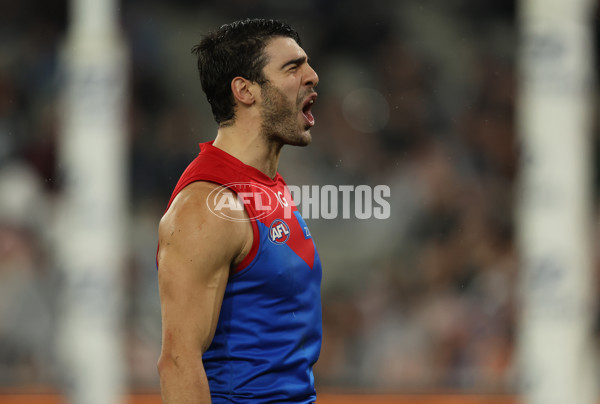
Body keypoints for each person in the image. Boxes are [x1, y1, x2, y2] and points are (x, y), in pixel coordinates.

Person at [156, 19, 322, 403]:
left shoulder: (265, 185)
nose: (312, 76)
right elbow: (179, 362)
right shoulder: (208, 205)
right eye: (293, 67)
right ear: (244, 90)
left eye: (307, 64)